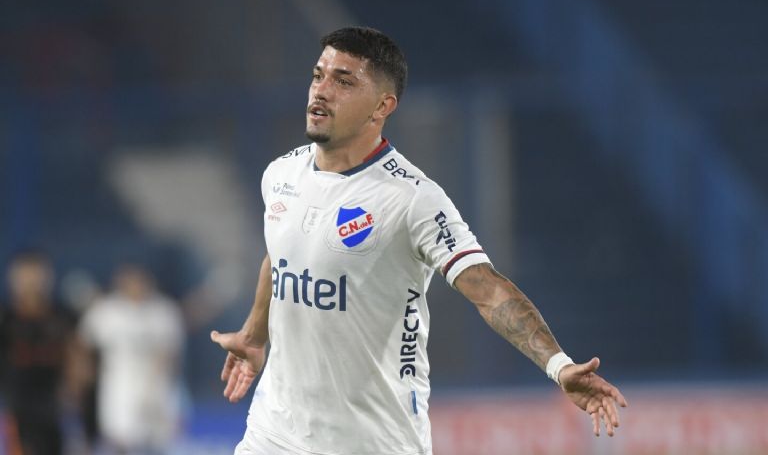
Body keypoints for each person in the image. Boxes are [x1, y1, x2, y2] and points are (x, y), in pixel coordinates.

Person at [211, 27, 628, 455]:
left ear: (382, 106)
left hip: (373, 443)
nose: (321, 90)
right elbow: (281, 256)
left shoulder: (413, 199)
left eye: (344, 81)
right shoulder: (280, 175)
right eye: (319, 75)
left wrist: (559, 365)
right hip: (274, 435)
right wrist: (254, 335)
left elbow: (488, 290)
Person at [77, 263, 185, 454]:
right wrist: (87, 375)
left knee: (157, 443)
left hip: (156, 389)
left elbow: (171, 353)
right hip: (119, 387)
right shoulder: (107, 311)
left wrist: (161, 384)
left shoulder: (163, 311)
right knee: (120, 441)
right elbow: (84, 342)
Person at [0, 249, 75, 455]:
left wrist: (73, 391)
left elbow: (76, 359)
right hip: (17, 409)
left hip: (55, 409)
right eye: (25, 276)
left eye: (36, 275)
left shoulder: (62, 318)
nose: (31, 283)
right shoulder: (6, 319)